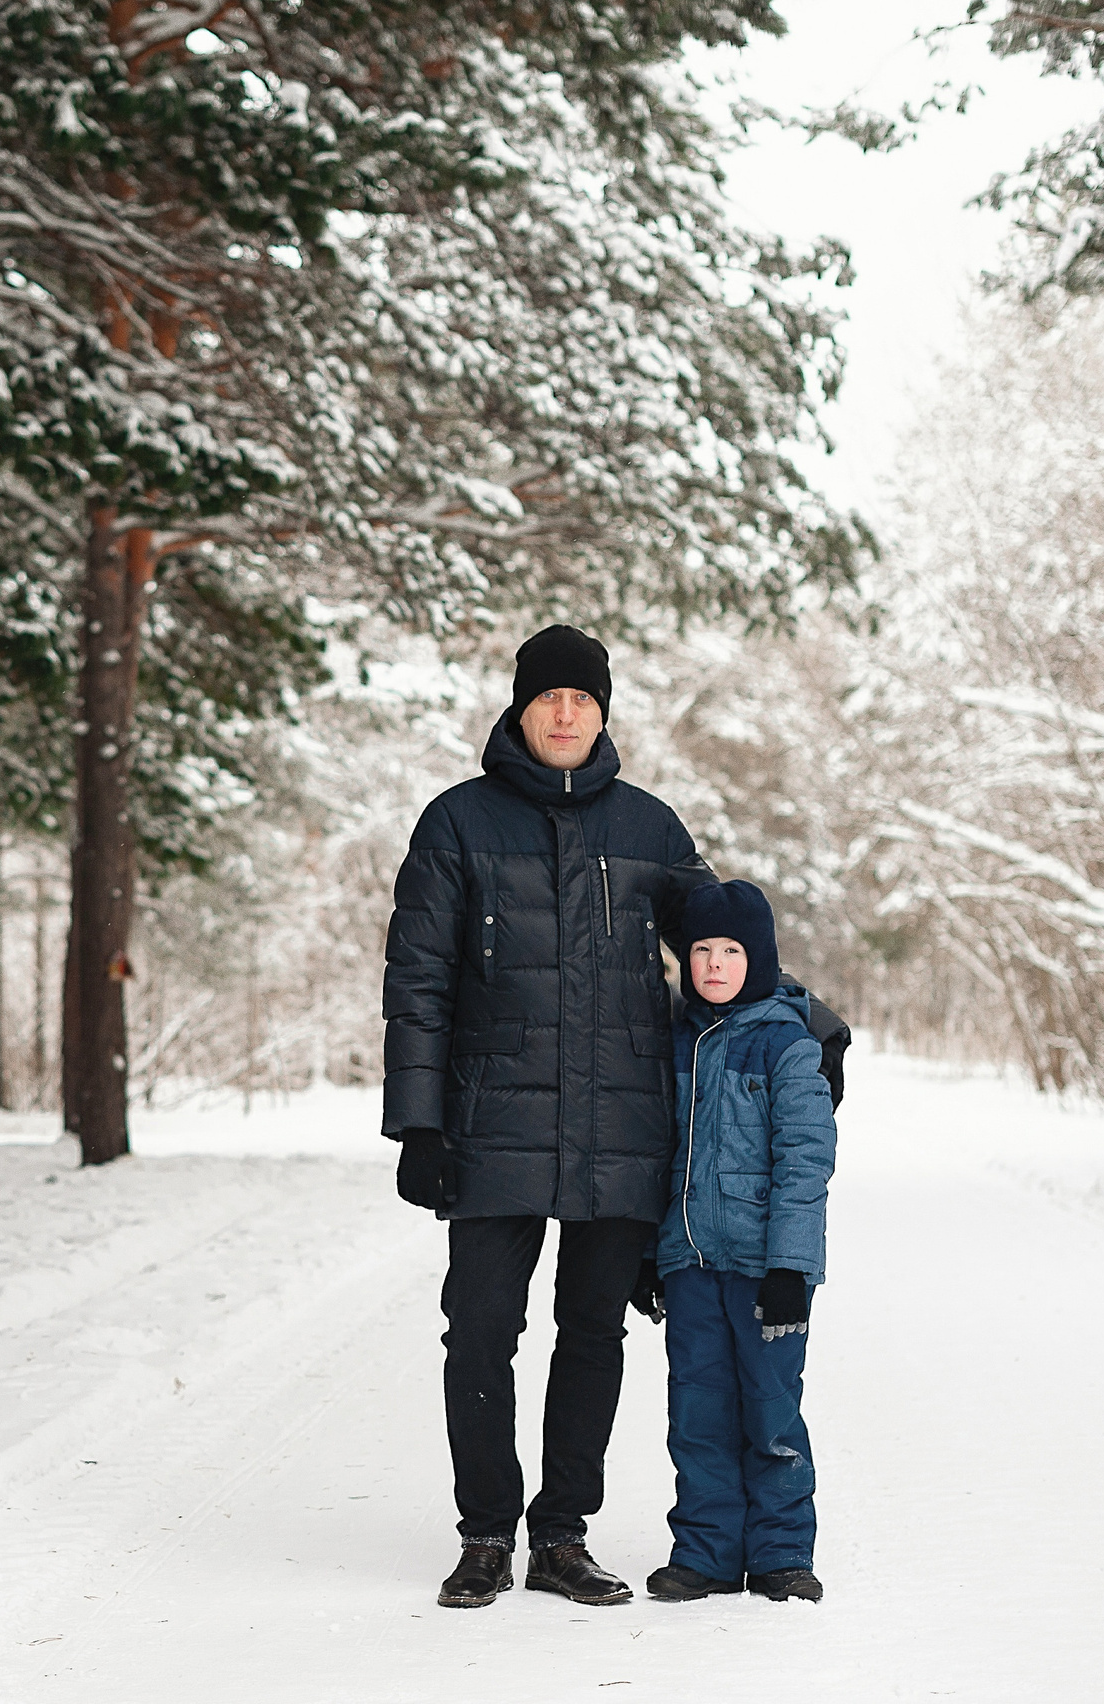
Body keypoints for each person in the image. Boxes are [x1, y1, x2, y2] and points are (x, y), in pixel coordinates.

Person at [381, 624, 715, 1610]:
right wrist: (420, 1125)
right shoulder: (456, 825)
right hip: (491, 1126)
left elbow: (723, 953)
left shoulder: (651, 831)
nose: (564, 712)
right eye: (547, 697)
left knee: (593, 1333)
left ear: (603, 711)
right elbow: (418, 986)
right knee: (479, 1331)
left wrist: (799, 1020)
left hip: (620, 1127)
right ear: (520, 709)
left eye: (581, 697)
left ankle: (561, 1536)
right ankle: (484, 1533)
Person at [643, 879, 836, 1606]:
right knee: (697, 1415)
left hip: (766, 1273)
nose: (715, 964)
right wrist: (649, 1253)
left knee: (770, 1410)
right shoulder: (676, 1043)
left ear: (757, 957)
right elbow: (661, 1155)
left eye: (730, 951)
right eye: (701, 951)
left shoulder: (787, 1044)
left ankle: (782, 1553)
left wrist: (790, 1263)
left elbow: (806, 1159)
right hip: (690, 1262)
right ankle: (708, 1553)